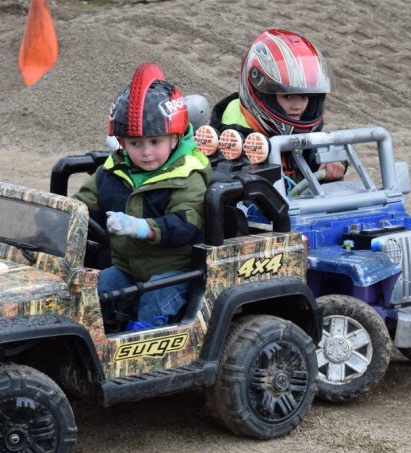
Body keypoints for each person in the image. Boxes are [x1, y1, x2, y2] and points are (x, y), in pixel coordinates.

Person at [74, 63, 211, 331]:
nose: (146, 152)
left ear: (175, 138)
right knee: (90, 293)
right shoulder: (113, 171)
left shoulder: (188, 172)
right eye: (136, 143)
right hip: (127, 268)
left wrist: (142, 227)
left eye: (155, 142)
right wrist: (58, 216)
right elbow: (81, 204)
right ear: (122, 143)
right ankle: (88, 343)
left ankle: (143, 355)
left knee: (154, 302)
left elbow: (187, 223)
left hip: (176, 272)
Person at [209, 29, 346, 189]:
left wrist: (333, 161)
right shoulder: (232, 136)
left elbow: (317, 150)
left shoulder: (303, 120)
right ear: (261, 94)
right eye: (287, 96)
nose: (298, 106)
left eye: (305, 97)